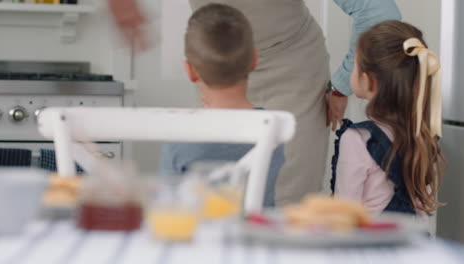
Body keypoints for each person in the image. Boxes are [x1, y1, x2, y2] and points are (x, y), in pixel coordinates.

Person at [108, 0, 401, 205]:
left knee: (285, 202)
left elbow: (380, 12)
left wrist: (341, 84)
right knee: (211, 201)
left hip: (293, 75)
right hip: (216, 74)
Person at [159, 3, 285, 207]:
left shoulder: (180, 137)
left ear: (190, 71)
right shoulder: (274, 128)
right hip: (255, 236)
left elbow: (168, 205)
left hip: (200, 237)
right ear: (254, 60)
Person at [330, 21, 445, 219]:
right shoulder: (424, 137)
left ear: (368, 80)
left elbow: (343, 216)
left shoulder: (358, 140)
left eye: (355, 65)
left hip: (369, 248)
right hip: (414, 246)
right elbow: (422, 215)